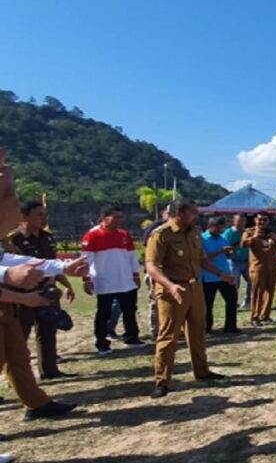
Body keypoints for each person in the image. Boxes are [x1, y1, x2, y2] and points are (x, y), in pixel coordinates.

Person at [0, 146, 89, 421]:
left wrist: (63, 267)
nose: (16, 208)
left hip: (9, 307)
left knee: (19, 359)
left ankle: (37, 404)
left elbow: (13, 259)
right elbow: (9, 266)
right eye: (12, 202)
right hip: (13, 302)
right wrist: (10, 281)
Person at [145, 200, 232, 398]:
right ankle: (162, 381)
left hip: (195, 287)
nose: (197, 216)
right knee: (169, 337)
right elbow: (152, 266)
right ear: (178, 213)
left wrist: (220, 273)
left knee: (197, 332)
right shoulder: (161, 235)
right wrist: (170, 285)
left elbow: (201, 260)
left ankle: (202, 371)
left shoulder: (194, 233)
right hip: (172, 290)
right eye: (193, 213)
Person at [3, 200, 77, 379]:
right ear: (24, 217)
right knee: (19, 336)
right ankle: (15, 376)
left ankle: (50, 370)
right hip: (23, 294)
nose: (44, 219)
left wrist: (67, 285)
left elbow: (53, 265)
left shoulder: (47, 238)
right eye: (39, 215)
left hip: (47, 291)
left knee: (48, 331)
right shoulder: (12, 240)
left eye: (46, 215)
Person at [81, 205, 145, 355]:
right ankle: (102, 343)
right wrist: (86, 279)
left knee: (130, 310)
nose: (119, 220)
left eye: (121, 217)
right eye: (115, 217)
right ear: (104, 218)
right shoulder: (92, 235)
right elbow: (85, 260)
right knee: (103, 313)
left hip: (125, 281)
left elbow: (131, 256)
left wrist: (135, 275)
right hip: (105, 282)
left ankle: (131, 337)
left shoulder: (124, 234)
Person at [241, 211, 276, 327]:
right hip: (258, 267)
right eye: (260, 219)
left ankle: (265, 315)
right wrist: (254, 237)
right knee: (257, 292)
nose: (262, 222)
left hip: (272, 266)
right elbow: (243, 244)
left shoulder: (272, 232)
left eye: (265, 220)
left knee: (270, 292)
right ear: (255, 220)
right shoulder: (249, 231)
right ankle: (254, 317)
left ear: (268, 221)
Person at [201, 216, 239, 334]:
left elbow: (227, 256)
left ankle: (230, 327)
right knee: (208, 304)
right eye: (217, 228)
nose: (219, 231)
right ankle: (207, 328)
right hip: (209, 277)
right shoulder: (202, 239)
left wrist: (231, 252)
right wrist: (220, 251)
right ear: (209, 227)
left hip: (225, 275)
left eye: (221, 229)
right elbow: (203, 259)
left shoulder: (222, 238)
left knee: (232, 300)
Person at [141, 207, 169, 339]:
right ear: (163, 213)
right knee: (156, 301)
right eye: (169, 213)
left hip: (172, 272)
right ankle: (155, 331)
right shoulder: (156, 229)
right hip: (156, 271)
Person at [222, 214, 252, 310]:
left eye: (243, 221)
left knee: (253, 281)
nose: (241, 223)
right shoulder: (228, 233)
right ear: (233, 221)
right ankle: (233, 303)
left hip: (247, 261)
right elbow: (225, 247)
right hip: (233, 261)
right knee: (235, 284)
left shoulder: (247, 232)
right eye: (239, 221)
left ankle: (247, 302)